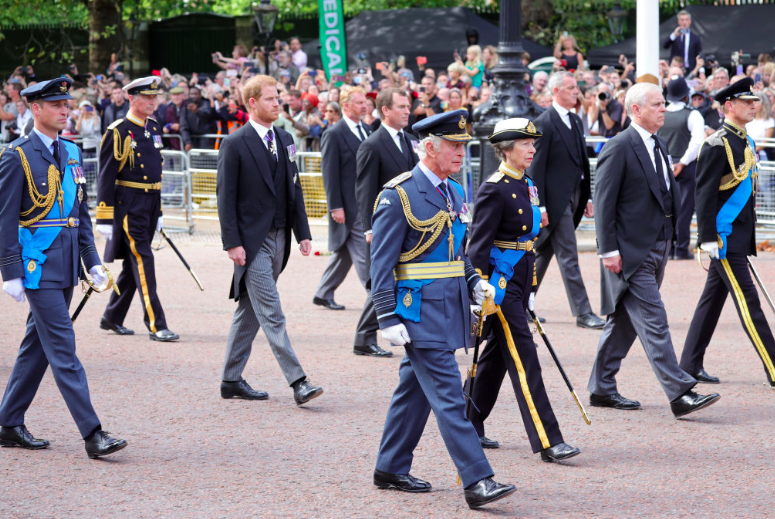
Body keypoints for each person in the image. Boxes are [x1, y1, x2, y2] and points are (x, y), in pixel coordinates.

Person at [370, 110, 516, 509]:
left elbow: (457, 251)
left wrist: (473, 281)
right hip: (416, 312)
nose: (459, 152)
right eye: (453, 145)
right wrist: (386, 316)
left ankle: (391, 466)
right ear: (429, 147)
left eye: (463, 145)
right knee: (451, 397)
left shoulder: (451, 191)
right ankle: (478, 479)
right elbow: (380, 264)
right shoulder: (398, 194)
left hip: (446, 307)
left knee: (414, 390)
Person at [0, 78, 126, 458]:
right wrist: (10, 272)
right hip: (37, 265)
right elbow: (5, 219)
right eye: (56, 104)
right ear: (36, 109)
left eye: (66, 103)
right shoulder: (16, 155)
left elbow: (79, 214)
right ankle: (93, 433)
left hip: (68, 263)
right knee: (63, 348)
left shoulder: (71, 151)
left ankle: (8, 422)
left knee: (35, 348)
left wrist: (93, 261)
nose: (65, 109)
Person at [588, 83, 721, 419]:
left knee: (624, 321)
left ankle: (602, 387)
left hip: (658, 245)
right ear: (636, 110)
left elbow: (666, 190)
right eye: (657, 104)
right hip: (632, 250)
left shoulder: (658, 143)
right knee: (654, 319)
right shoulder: (619, 147)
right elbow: (604, 203)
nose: (664, 108)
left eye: (663, 103)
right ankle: (679, 392)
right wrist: (608, 250)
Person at [467, 117, 580, 462]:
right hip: (498, 287)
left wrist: (530, 288)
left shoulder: (526, 183)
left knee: (497, 358)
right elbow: (477, 247)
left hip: (518, 280)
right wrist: (480, 289)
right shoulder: (494, 187)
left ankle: (466, 423)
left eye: (533, 143)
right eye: (525, 144)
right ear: (506, 148)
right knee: (525, 357)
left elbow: (527, 243)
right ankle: (548, 439)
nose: (532, 149)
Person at [215, 74, 322, 405]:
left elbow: (294, 186)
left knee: (250, 310)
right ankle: (298, 381)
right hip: (250, 242)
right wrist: (232, 242)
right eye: (271, 99)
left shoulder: (287, 139)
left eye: (279, 98)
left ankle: (231, 380)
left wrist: (302, 232)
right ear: (252, 103)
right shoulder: (234, 143)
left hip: (280, 239)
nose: (279, 103)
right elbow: (225, 197)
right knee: (272, 311)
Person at [679, 78, 775, 389]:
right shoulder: (716, 143)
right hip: (724, 236)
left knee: (711, 301)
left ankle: (689, 364)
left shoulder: (743, 140)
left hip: (737, 235)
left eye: (754, 102)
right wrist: (706, 237)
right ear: (729, 106)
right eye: (746, 102)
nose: (753, 106)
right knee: (749, 303)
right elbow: (704, 194)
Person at [95, 77, 179, 342]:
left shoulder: (153, 127)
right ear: (131, 98)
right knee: (144, 260)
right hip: (129, 205)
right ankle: (156, 323)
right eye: (146, 97)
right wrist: (105, 216)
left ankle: (112, 316)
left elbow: (157, 171)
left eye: (154, 97)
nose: (152, 102)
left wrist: (161, 211)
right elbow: (106, 176)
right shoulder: (118, 131)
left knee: (133, 268)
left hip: (150, 202)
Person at [312, 86, 389, 357]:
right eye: (358, 103)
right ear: (345, 106)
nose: (364, 106)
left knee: (344, 253)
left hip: (365, 206)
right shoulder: (333, 133)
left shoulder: (367, 131)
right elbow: (329, 171)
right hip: (351, 208)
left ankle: (323, 292)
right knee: (371, 270)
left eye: (365, 103)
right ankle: (374, 314)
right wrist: (335, 205)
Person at [530, 72, 604, 329]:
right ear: (556, 91)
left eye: (576, 88)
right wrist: (539, 207)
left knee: (543, 253)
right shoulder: (544, 122)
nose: (576, 92)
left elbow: (580, 162)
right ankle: (583, 313)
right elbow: (535, 169)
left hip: (573, 198)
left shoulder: (574, 119)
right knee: (569, 256)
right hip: (554, 202)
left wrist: (588, 196)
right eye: (571, 88)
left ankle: (520, 306)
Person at [355, 88, 418, 240]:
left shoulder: (412, 140)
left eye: (408, 107)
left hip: (414, 222)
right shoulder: (371, 145)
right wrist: (369, 228)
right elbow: (366, 189)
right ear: (386, 110)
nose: (407, 111)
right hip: (386, 223)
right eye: (401, 107)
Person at [656, 76, 705, 260]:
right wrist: (682, 162)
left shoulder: (661, 114)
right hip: (686, 165)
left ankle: (667, 249)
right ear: (686, 95)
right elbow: (697, 142)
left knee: (665, 208)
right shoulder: (693, 114)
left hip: (664, 165)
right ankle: (681, 249)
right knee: (685, 209)